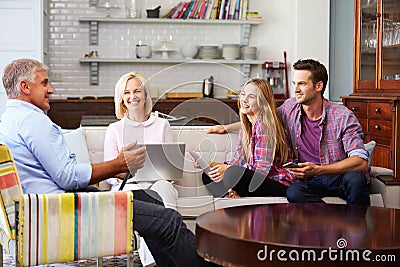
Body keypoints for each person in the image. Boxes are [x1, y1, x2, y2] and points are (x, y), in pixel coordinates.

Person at [0, 58, 218, 267]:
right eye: (44, 83)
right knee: (169, 221)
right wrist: (119, 164)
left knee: (151, 202)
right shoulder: (33, 121)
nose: (51, 90)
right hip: (62, 208)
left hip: (47, 204)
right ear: (25, 87)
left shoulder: (9, 119)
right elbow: (68, 177)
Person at [208, 59, 370, 206]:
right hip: (309, 180)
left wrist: (319, 169)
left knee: (355, 179)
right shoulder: (289, 108)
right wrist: (227, 128)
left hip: (337, 177)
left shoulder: (342, 116)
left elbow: (360, 161)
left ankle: (358, 231)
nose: (296, 90)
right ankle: (331, 221)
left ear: (318, 86)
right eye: (294, 83)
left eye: (302, 84)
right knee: (294, 192)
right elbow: (262, 117)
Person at [104, 71, 178, 267]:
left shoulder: (162, 125)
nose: (132, 96)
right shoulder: (114, 129)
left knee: (165, 191)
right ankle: (155, 262)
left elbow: (172, 167)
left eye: (137, 91)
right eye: (127, 92)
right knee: (142, 201)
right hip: (128, 185)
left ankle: (169, 256)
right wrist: (130, 171)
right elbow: (110, 174)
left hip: (158, 182)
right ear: (121, 98)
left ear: (145, 95)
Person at [193, 78, 298, 198]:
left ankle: (232, 193)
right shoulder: (246, 127)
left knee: (232, 173)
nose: (244, 100)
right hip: (257, 180)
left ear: (262, 102)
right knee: (207, 174)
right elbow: (237, 162)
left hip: (279, 183)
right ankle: (230, 195)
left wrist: (227, 169)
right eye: (243, 94)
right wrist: (209, 164)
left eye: (251, 97)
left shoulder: (265, 126)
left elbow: (261, 169)